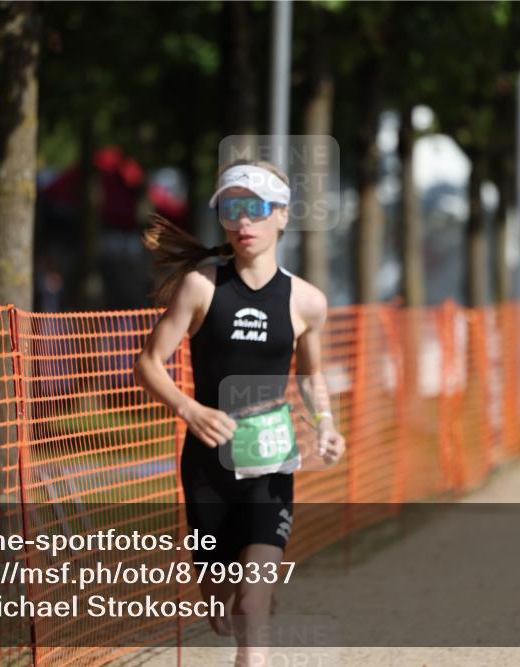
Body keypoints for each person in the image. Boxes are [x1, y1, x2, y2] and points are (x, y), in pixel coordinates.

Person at [133, 159, 346, 665]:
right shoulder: (201, 287)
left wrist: (326, 424)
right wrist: (189, 408)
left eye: (254, 208)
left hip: (269, 466)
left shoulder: (307, 302)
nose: (243, 222)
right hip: (208, 466)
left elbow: (311, 376)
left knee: (251, 606)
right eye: (232, 209)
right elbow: (147, 363)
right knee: (222, 607)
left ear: (282, 216)